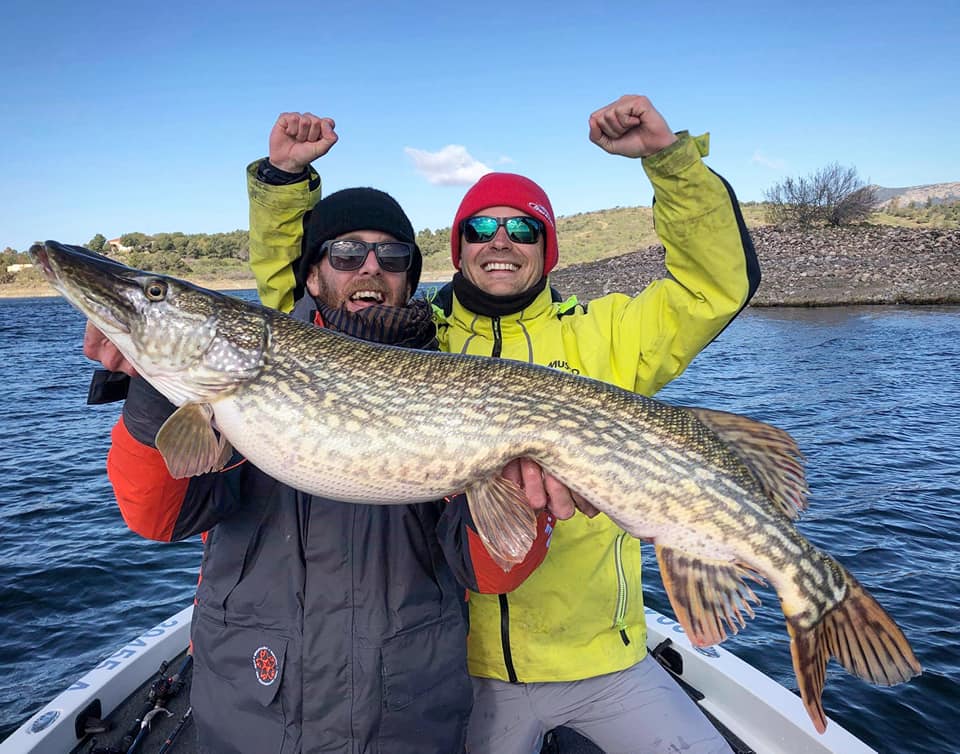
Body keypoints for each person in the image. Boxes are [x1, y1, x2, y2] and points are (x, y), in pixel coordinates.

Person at [246, 96, 760, 753]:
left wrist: (670, 162)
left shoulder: (608, 333)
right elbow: (292, 312)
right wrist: (285, 185)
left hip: (603, 658)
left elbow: (714, 286)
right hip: (462, 667)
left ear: (546, 251)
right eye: (482, 228)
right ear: (457, 249)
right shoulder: (415, 342)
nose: (500, 242)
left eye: (523, 231)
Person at [82, 187, 556, 753]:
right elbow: (158, 518)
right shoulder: (238, 381)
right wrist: (151, 394)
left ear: (410, 276)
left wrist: (524, 500)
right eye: (348, 253)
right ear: (312, 275)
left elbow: (491, 573)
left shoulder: (459, 379)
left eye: (393, 257)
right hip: (254, 708)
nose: (371, 268)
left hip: (404, 712)